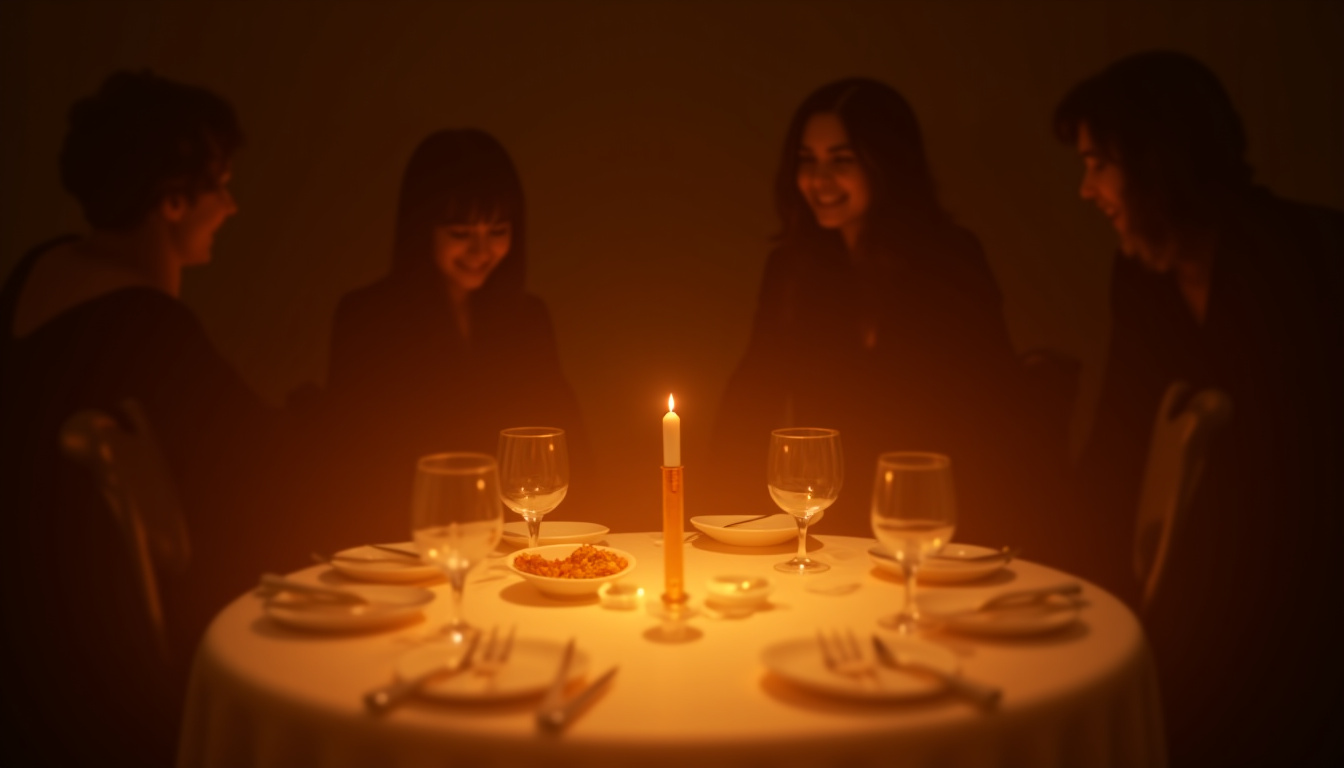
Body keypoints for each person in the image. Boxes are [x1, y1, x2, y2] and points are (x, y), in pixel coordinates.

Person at [0, 70, 368, 767]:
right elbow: (267, 467)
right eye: (219, 186)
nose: (231, 206)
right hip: (103, 669)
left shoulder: (36, 271)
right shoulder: (144, 327)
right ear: (171, 203)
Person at [1056, 50, 1344, 767]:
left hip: (1305, 604)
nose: (1085, 190)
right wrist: (1063, 575)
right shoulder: (1138, 274)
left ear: (1158, 160)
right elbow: (1120, 440)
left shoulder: (1312, 255)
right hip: (1190, 594)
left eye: (1098, 163)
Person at [709, 78, 1035, 543]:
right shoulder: (792, 267)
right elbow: (754, 385)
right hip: (826, 517)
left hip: (934, 514)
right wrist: (720, 508)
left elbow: (991, 401)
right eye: (807, 160)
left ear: (887, 165)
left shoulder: (950, 259)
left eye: (841, 160)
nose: (819, 181)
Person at [318, 128, 590, 524]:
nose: (481, 251)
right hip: (406, 539)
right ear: (421, 230)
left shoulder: (528, 319)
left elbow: (559, 444)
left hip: (511, 538)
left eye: (497, 231)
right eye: (461, 234)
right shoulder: (367, 318)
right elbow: (354, 464)